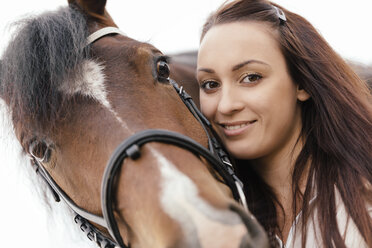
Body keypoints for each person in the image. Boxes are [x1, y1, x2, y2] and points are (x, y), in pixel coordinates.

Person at [196, 0, 372, 247]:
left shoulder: (363, 199)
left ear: (301, 83)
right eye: (210, 84)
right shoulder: (214, 219)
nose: (225, 106)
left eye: (250, 78)